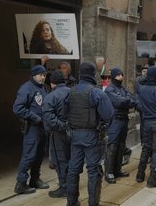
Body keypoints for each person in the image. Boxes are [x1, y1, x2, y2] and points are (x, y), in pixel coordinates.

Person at [66, 62, 114, 206]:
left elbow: (64, 112)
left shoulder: (70, 91)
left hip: (74, 135)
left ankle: (72, 203)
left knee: (73, 170)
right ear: (93, 74)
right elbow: (109, 114)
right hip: (92, 136)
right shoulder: (96, 92)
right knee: (93, 170)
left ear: (80, 73)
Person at [13, 65, 49, 194]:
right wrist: (34, 117)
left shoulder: (43, 88)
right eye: (41, 75)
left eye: (44, 75)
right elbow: (18, 108)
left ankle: (35, 179)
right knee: (29, 156)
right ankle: (21, 183)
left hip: (42, 128)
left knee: (39, 155)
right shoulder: (26, 88)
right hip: (32, 128)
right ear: (34, 75)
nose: (43, 77)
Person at [104, 68, 136, 184]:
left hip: (124, 119)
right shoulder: (109, 89)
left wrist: (126, 101)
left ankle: (117, 170)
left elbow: (133, 100)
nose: (121, 77)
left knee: (121, 145)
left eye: (122, 74)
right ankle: (108, 172)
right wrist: (127, 101)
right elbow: (119, 102)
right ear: (113, 76)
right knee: (112, 146)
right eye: (118, 75)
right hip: (115, 120)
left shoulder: (122, 88)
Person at [42, 70, 71, 198]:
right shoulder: (72, 92)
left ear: (52, 82)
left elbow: (48, 116)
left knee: (60, 160)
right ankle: (71, 184)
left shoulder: (50, 96)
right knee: (71, 159)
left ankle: (64, 187)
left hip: (58, 133)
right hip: (73, 131)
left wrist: (62, 125)